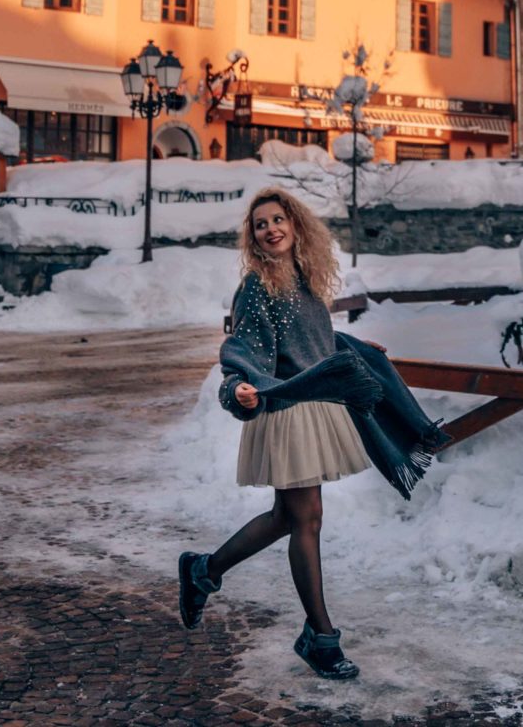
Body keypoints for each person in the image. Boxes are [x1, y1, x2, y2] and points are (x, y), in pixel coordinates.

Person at [176, 186, 385, 682]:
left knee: (288, 516)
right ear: (254, 237)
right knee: (306, 517)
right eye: (260, 225)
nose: (270, 229)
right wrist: (238, 389)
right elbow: (241, 348)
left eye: (277, 220)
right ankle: (321, 635)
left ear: (295, 224)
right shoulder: (258, 286)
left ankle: (204, 570)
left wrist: (357, 349)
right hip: (283, 408)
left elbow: (314, 340)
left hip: (310, 406)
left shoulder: (307, 278)